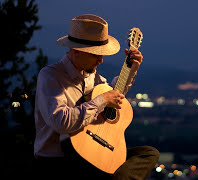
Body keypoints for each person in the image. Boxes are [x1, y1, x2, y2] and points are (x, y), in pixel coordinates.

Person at [33, 14, 159, 179]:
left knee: (149, 153)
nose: (100, 60)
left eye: (102, 54)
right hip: (59, 159)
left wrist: (131, 69)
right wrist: (103, 99)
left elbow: (113, 95)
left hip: (90, 151)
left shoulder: (94, 77)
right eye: (95, 54)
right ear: (77, 51)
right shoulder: (51, 76)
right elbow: (60, 122)